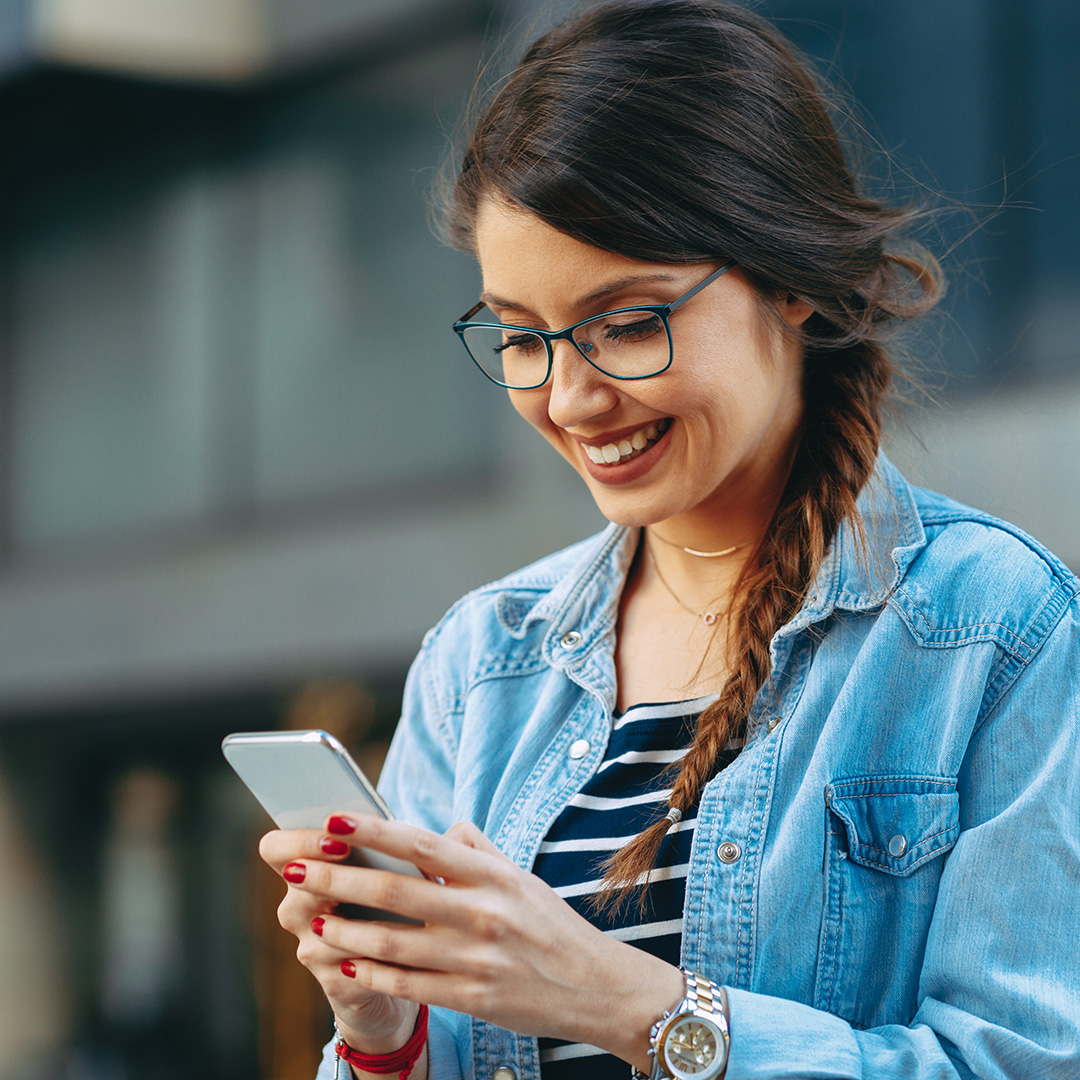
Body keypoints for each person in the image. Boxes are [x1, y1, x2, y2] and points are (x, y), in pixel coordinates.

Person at [257, 2, 1080, 1077]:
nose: (569, 396)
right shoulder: (480, 664)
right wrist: (377, 1037)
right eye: (521, 336)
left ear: (786, 279)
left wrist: (629, 1005)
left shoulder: (992, 633)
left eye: (629, 324)